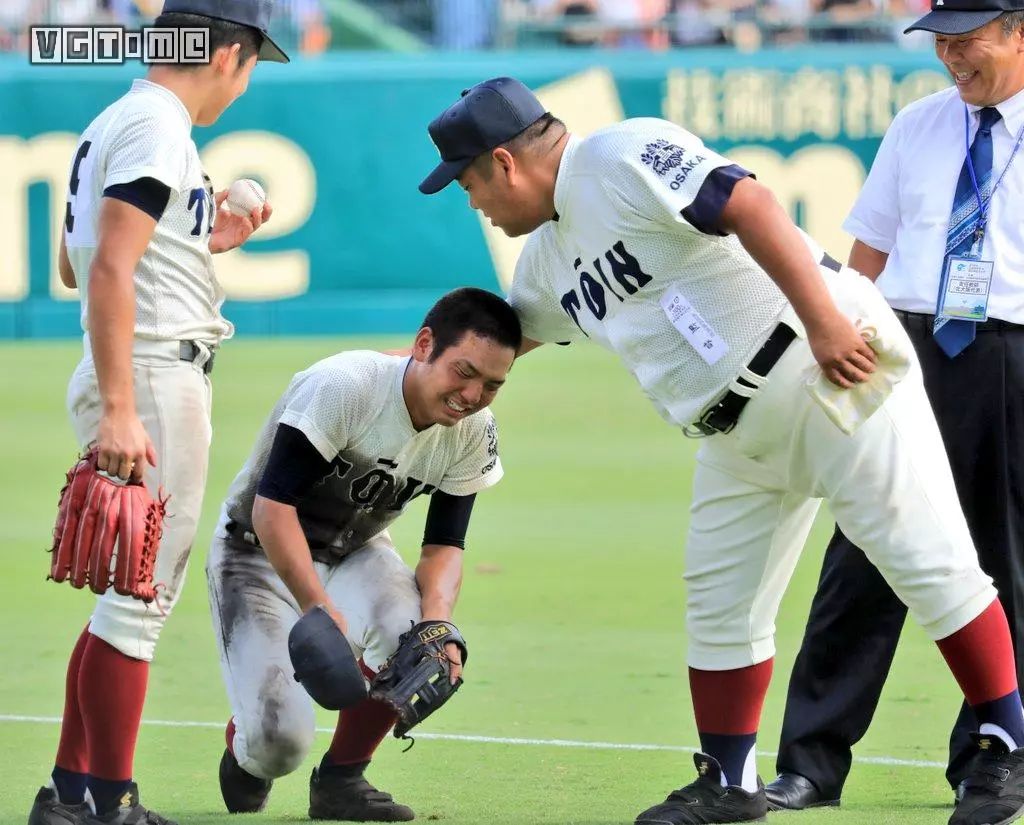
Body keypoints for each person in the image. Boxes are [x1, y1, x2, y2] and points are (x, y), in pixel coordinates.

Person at [419, 76, 1024, 825]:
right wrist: (411, 377)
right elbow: (506, 341)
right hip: (731, 429)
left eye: (470, 183)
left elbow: (750, 205)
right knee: (720, 603)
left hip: (817, 361)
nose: (473, 201)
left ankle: (1008, 742)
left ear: (505, 163)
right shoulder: (543, 260)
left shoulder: (619, 153)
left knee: (926, 560)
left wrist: (825, 321)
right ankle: (730, 782)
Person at [28, 3, 286, 824]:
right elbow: (105, 267)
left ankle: (68, 795)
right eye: (253, 66)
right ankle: (113, 802)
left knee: (120, 603)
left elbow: (74, 262)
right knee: (139, 606)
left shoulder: (119, 119)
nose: (244, 85)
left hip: (135, 369)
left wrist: (204, 237)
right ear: (229, 55)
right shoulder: (157, 126)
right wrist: (119, 408)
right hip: (149, 377)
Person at [763, 0, 1024, 813]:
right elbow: (867, 252)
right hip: (904, 350)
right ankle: (810, 761)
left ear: (1019, 30)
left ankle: (994, 758)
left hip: (1014, 351)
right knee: (861, 555)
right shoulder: (918, 126)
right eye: (941, 42)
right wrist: (837, 337)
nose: (951, 57)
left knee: (1008, 563)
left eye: (967, 40)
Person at [208, 288, 519, 822]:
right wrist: (318, 606)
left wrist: (437, 625)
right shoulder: (346, 386)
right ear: (424, 345)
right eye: (464, 372)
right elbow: (271, 508)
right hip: (254, 552)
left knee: (412, 640)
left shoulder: (474, 430)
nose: (472, 395)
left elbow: (445, 545)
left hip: (355, 548)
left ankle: (342, 779)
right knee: (279, 745)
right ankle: (248, 745)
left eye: (492, 385)